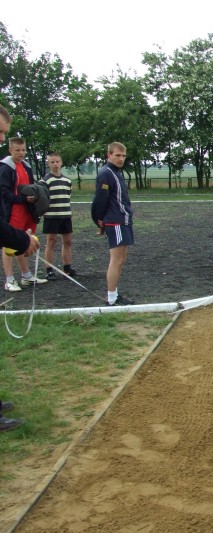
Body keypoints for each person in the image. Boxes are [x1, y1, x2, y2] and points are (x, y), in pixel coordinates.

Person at [0, 103, 39, 432]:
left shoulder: (20, 167)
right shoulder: (4, 168)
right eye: (0, 133)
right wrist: (20, 240)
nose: (2, 139)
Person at [1, 136, 48, 292]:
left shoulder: (26, 166)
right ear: (10, 150)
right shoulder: (5, 168)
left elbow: (30, 186)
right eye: (17, 150)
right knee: (9, 244)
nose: (21, 153)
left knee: (24, 240)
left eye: (23, 150)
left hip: (27, 211)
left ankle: (26, 276)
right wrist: (22, 198)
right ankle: (9, 280)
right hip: (13, 211)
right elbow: (3, 192)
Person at [91, 142, 135, 306]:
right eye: (117, 155)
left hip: (123, 220)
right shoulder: (106, 173)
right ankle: (111, 299)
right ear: (109, 155)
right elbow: (99, 200)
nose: (121, 158)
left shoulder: (117, 173)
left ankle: (115, 294)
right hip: (115, 221)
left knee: (122, 258)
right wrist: (99, 221)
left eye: (123, 156)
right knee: (116, 259)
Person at [42, 152, 78, 280]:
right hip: (51, 216)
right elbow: (43, 200)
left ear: (61, 163)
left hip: (65, 216)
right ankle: (49, 269)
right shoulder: (45, 181)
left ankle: (67, 267)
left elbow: (67, 198)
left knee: (67, 242)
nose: (55, 164)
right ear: (49, 163)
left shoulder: (67, 181)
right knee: (51, 242)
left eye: (57, 161)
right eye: (52, 162)